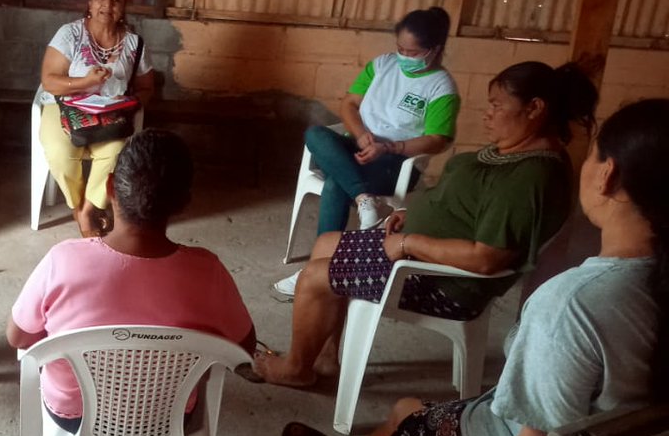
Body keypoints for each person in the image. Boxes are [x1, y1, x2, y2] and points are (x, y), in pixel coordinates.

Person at [279, 98, 669, 436]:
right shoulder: (640, 284)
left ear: (609, 175)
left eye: (595, 153)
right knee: (445, 415)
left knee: (409, 415)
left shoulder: (572, 305)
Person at [255, 61, 599, 388]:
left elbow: (487, 258)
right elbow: (466, 203)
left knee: (316, 275)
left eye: (497, 104)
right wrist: (416, 212)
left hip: (440, 282)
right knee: (327, 242)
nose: (487, 112)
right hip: (422, 258)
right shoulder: (517, 153)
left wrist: (409, 243)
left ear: (535, 108)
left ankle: (297, 369)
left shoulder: (530, 177)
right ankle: (327, 357)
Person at [7, 130, 256, 436]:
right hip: (165, 415)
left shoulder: (63, 260)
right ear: (184, 202)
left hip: (74, 414)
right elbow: (244, 349)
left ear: (109, 187)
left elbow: (18, 336)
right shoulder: (207, 272)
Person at [275, 7, 460, 296]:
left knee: (337, 183)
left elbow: (438, 139)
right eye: (400, 48)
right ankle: (364, 200)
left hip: (396, 162)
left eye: (413, 52)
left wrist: (390, 147)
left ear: (434, 50)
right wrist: (362, 136)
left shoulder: (441, 87)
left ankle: (317, 266)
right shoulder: (382, 65)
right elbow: (349, 104)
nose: (404, 56)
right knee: (314, 134)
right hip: (359, 146)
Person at [36, 0, 155, 238]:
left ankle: (89, 209)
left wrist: (130, 103)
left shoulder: (134, 44)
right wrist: (85, 81)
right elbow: (49, 80)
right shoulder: (70, 34)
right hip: (65, 105)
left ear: (123, 6)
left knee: (115, 152)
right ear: (89, 3)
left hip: (110, 114)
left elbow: (147, 88)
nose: (107, 5)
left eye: (115, 0)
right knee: (59, 151)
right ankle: (76, 205)